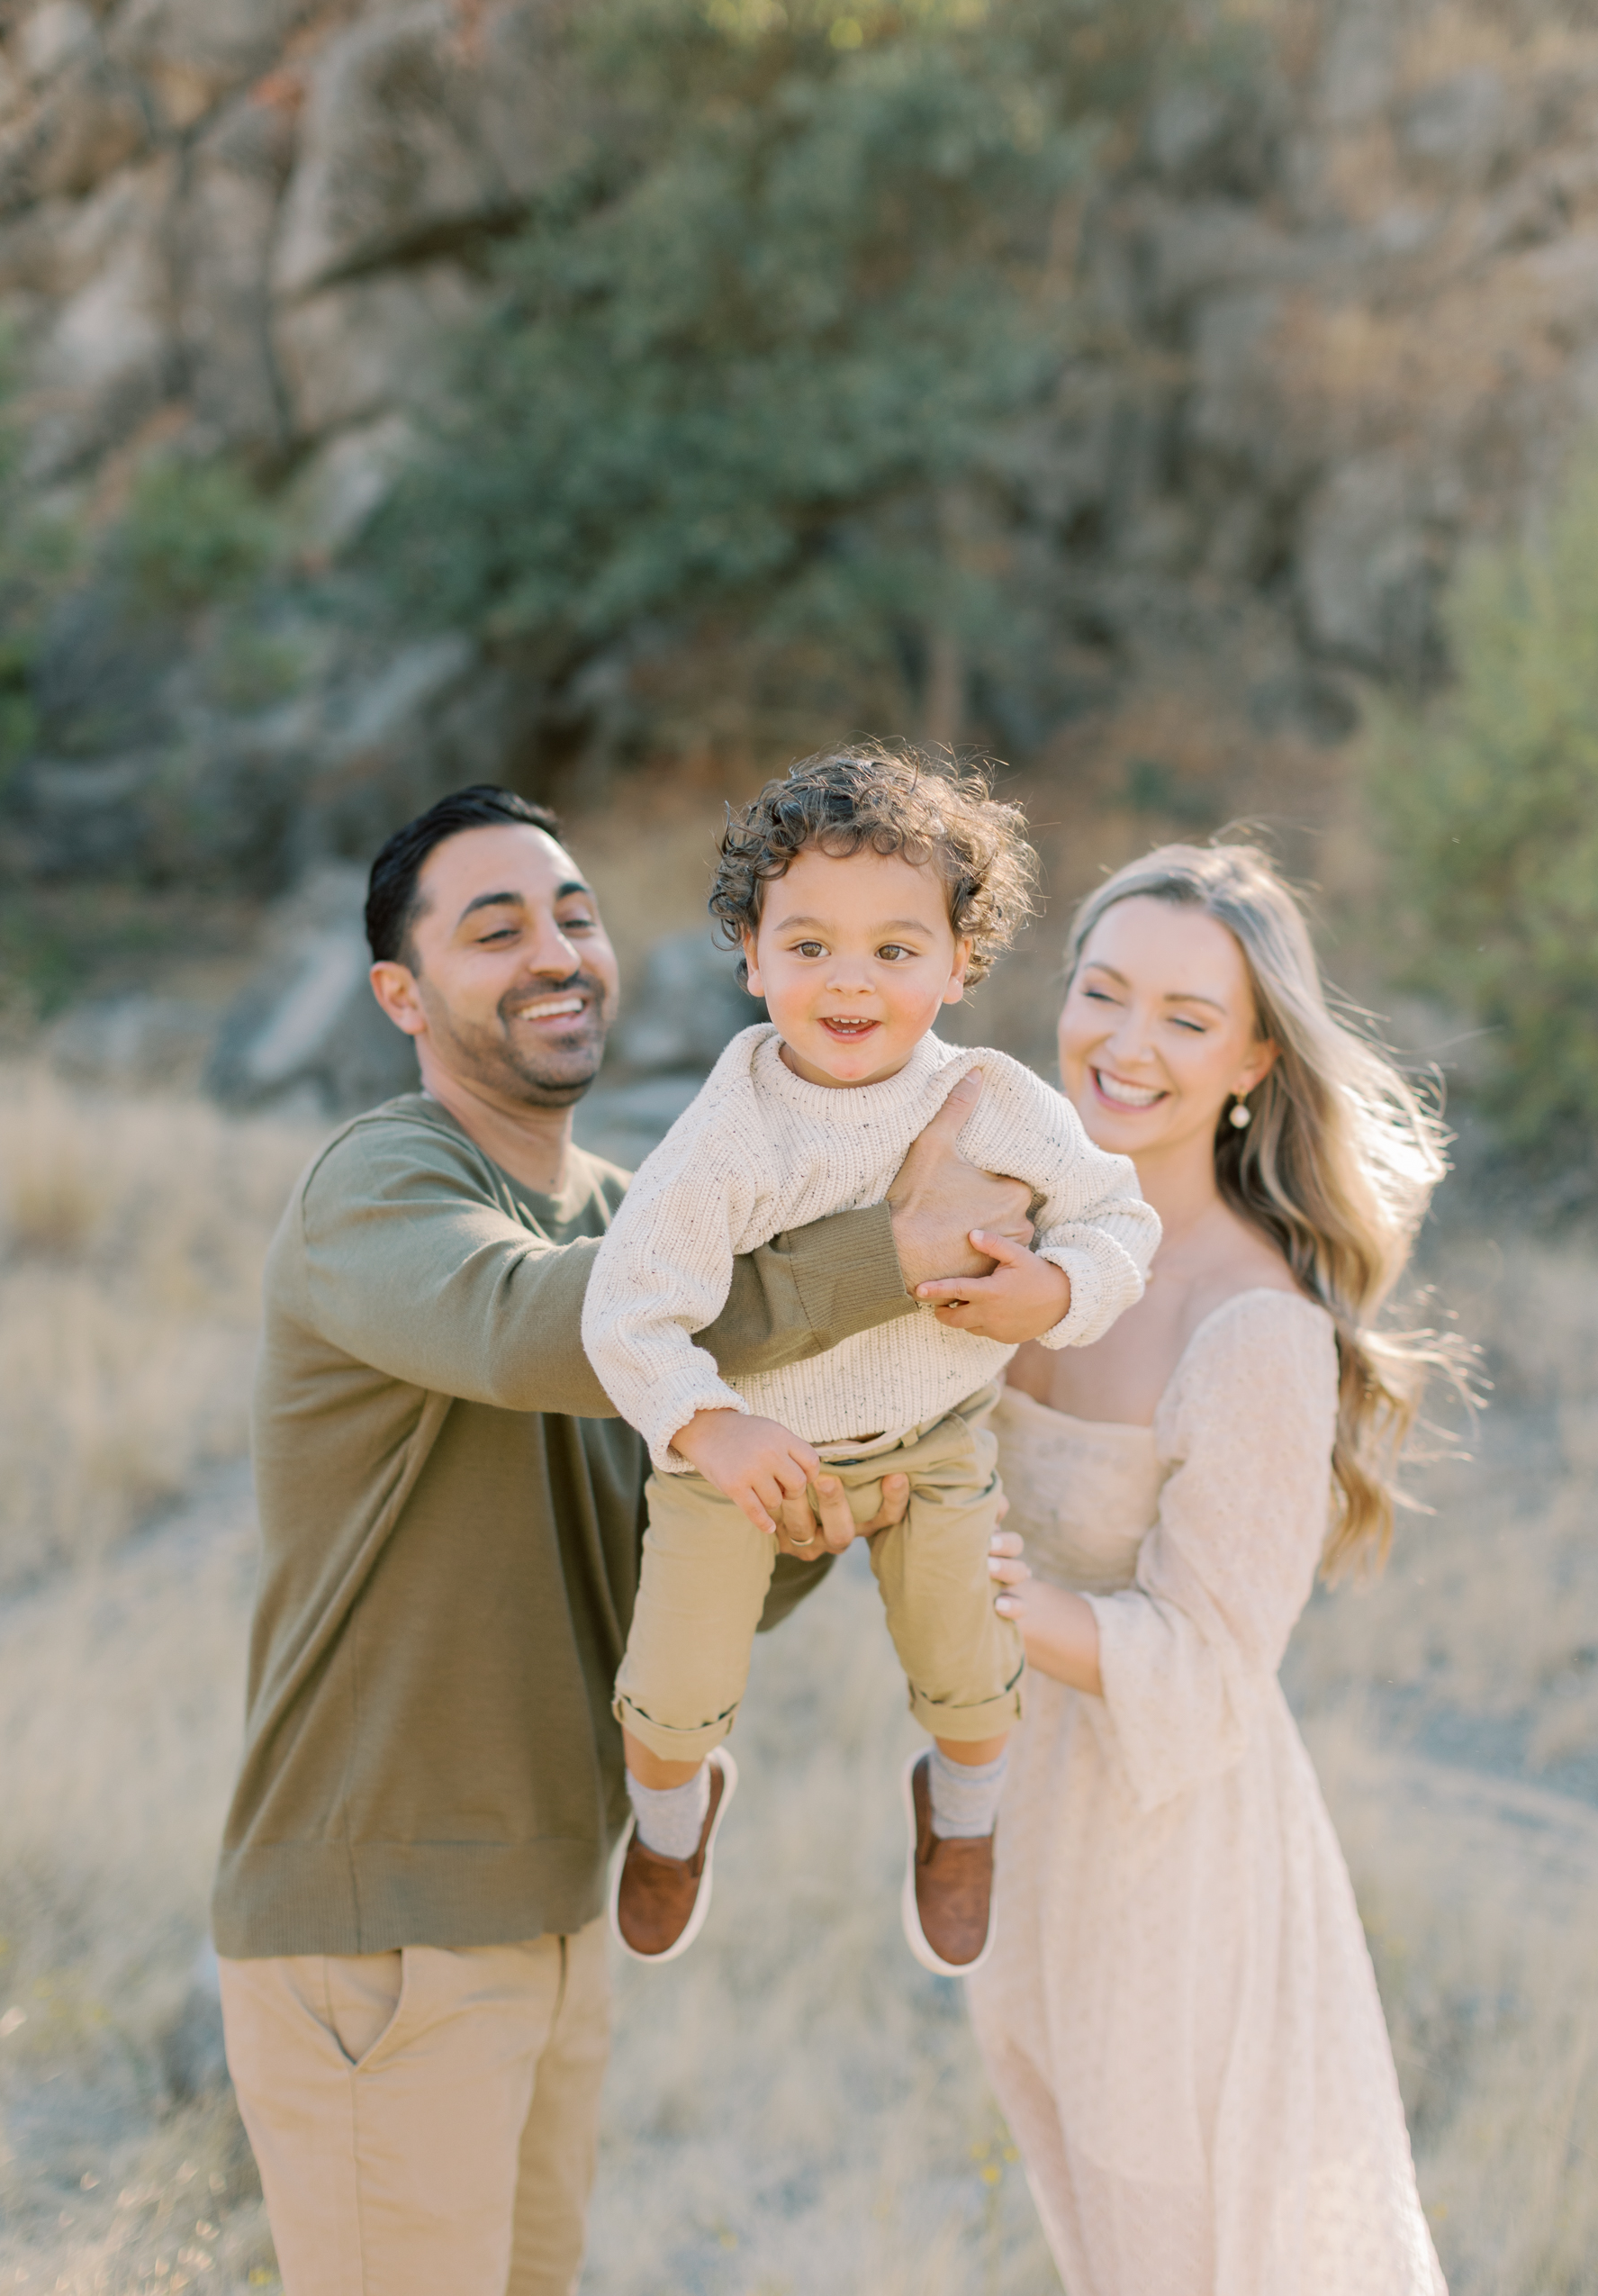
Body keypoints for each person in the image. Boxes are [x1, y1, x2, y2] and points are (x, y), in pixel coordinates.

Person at [211, 782, 1040, 2296]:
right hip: (383, 1915)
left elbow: (666, 1554)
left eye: (575, 913)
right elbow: (556, 1331)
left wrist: (844, 1487)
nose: (556, 950)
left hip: (556, 1900)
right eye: (494, 925)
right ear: (398, 990)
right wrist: (885, 1253)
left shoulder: (639, 1211)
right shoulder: (379, 1184)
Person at [962, 842, 1458, 2295]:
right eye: (1103, 994)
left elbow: (1210, 1666)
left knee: (1179, 2251)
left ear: (1250, 1056)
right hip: (1020, 1814)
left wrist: (975, 1591)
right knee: (1085, 2230)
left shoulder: (1252, 1327)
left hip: (1172, 1846)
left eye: (1184, 1018)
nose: (1126, 1044)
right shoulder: (1016, 1237)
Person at [584, 749, 1160, 1977]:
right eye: (809, 947)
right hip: (743, 1441)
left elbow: (1120, 1218)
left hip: (933, 1436)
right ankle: (670, 1824)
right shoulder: (732, 1128)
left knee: (970, 1675)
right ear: (750, 956)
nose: (850, 980)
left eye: (896, 950)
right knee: (670, 1689)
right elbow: (628, 1308)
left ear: (959, 962)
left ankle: (959, 1820)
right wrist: (705, 1428)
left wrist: (1055, 1288)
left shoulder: (992, 1101)